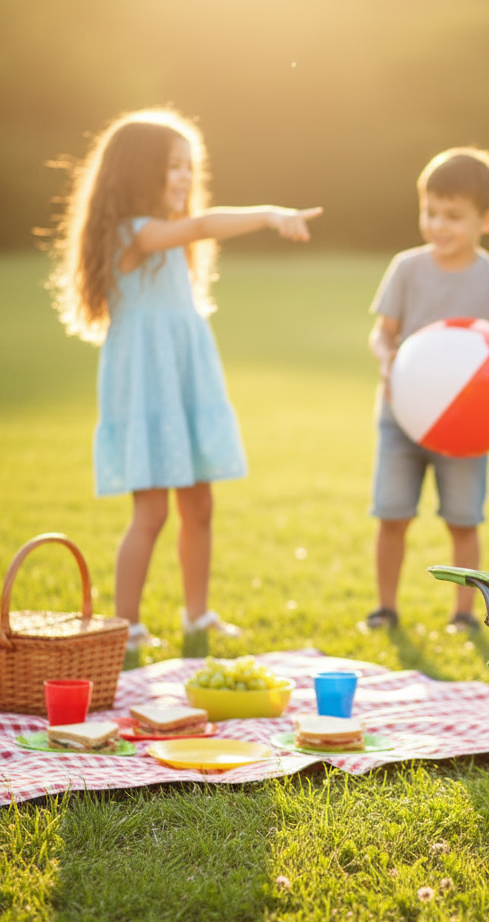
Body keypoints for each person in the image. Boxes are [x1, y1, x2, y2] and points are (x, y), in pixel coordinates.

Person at [48, 108, 322, 651]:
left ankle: (197, 616)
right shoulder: (133, 233)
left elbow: (192, 231)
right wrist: (269, 213)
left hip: (187, 381)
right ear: (136, 173)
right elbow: (198, 225)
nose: (185, 178)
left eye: (189, 167)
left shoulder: (167, 241)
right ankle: (126, 626)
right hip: (149, 387)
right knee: (149, 512)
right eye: (172, 166)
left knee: (199, 506)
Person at [365, 147, 489, 632]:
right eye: (430, 212)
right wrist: (386, 356)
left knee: (463, 520)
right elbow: (382, 332)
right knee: (392, 515)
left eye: (453, 216)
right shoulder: (406, 268)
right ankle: (384, 608)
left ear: (486, 220)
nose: (438, 225)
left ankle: (463, 615)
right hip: (401, 417)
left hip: (471, 424)